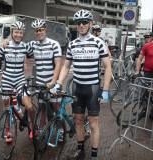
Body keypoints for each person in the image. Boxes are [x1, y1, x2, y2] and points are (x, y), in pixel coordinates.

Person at [51, 9, 112, 160]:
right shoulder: (72, 44)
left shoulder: (99, 42)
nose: (82, 25)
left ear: (90, 24)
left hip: (92, 88)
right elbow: (66, 66)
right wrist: (59, 83)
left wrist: (105, 89)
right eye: (79, 23)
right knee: (78, 120)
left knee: (93, 123)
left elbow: (107, 66)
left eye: (85, 22)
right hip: (77, 87)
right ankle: (80, 149)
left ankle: (94, 155)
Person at [0, 21, 35, 140]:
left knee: (29, 106)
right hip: (7, 79)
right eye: (16, 32)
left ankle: (32, 126)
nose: (18, 34)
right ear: (12, 33)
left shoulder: (25, 46)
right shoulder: (5, 46)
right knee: (7, 107)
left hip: (20, 79)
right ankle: (8, 131)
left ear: (23, 34)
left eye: (20, 32)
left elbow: (33, 56)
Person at [29, 19, 62, 89]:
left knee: (54, 100)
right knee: (40, 100)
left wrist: (53, 81)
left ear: (45, 30)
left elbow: (58, 64)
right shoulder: (32, 44)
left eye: (41, 30)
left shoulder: (54, 44)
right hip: (39, 83)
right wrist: (7, 41)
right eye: (36, 31)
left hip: (52, 82)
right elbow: (19, 45)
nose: (39, 32)